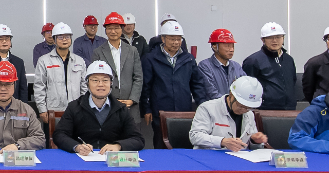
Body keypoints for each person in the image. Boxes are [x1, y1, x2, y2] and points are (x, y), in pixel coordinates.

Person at [53, 61, 145, 154]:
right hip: (82, 158)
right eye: (95, 80)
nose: (100, 84)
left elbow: (138, 139)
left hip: (111, 159)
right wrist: (77, 147)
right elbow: (59, 135)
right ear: (87, 83)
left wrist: (118, 146)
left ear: (111, 83)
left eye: (105, 80)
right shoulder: (74, 107)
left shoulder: (121, 109)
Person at [141, 20, 206, 149]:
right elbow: (146, 86)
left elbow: (197, 84)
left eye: (179, 39)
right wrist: (146, 109)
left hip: (184, 110)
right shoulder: (150, 58)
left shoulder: (188, 59)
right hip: (160, 109)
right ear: (163, 39)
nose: (176, 42)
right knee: (161, 144)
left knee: (184, 144)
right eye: (172, 39)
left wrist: (203, 106)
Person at [190, 76, 269, 151]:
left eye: (249, 107)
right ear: (231, 94)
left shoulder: (249, 114)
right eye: (241, 106)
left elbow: (252, 147)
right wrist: (222, 141)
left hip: (239, 157)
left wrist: (254, 141)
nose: (244, 110)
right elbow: (195, 136)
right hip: (210, 156)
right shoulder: (207, 108)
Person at [90, 12, 143, 121]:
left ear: (122, 29)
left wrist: (132, 99)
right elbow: (95, 79)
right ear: (105, 30)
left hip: (130, 106)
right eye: (109, 28)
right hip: (106, 105)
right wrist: (105, 100)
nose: (113, 31)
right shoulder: (98, 52)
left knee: (132, 131)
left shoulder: (132, 51)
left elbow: (138, 77)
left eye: (116, 28)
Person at [33, 22, 87, 123]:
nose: (64, 40)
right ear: (54, 40)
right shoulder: (44, 60)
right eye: (60, 37)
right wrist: (42, 110)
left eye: (67, 37)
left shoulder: (79, 61)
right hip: (53, 111)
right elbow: (39, 87)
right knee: (54, 134)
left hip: (76, 110)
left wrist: (84, 107)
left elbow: (84, 86)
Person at [241, 22, 299, 110]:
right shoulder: (253, 61)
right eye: (270, 37)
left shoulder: (289, 59)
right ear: (263, 40)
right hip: (265, 109)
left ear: (283, 38)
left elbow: (293, 81)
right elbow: (248, 88)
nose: (274, 40)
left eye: (278, 37)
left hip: (290, 108)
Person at [197, 29, 245, 103]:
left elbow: (245, 87)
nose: (231, 49)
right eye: (227, 46)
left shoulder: (236, 66)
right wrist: (230, 103)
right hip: (214, 107)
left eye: (232, 46)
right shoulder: (205, 66)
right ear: (214, 46)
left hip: (235, 107)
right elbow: (211, 92)